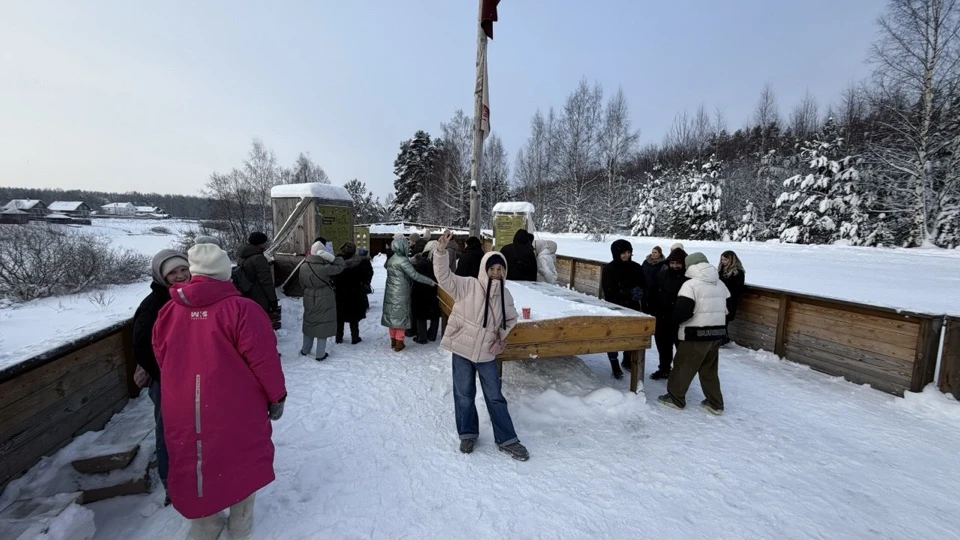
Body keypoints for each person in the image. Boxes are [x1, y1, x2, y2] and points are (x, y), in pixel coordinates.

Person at [152, 243, 286, 540]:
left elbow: (162, 357)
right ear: (226, 272)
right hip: (236, 405)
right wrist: (277, 396)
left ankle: (205, 523)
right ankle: (240, 524)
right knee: (241, 457)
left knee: (195, 459)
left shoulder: (168, 311)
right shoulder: (242, 309)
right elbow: (264, 360)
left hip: (183, 404)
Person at [433, 230, 529, 461]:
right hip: (462, 350)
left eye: (500, 269)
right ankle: (468, 433)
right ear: (485, 269)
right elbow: (444, 276)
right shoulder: (468, 286)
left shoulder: (505, 294)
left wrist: (500, 337)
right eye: (492, 268)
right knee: (464, 394)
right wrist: (440, 251)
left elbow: (511, 318)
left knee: (495, 396)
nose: (496, 273)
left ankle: (507, 439)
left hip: (486, 353)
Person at [132, 249, 190, 505]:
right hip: (164, 380)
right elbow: (142, 348)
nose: (180, 276)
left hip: (187, 377)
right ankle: (172, 487)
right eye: (172, 273)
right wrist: (167, 379)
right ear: (161, 277)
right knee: (168, 431)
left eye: (183, 269)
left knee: (190, 430)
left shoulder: (188, 296)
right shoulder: (154, 304)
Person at [658, 252, 730, 415]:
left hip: (695, 333)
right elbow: (728, 310)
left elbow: (683, 312)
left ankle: (675, 398)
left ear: (690, 266)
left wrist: (672, 321)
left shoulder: (691, 285)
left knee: (683, 366)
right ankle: (715, 403)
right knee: (709, 370)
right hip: (716, 333)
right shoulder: (720, 284)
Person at [600, 239, 645, 379]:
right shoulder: (609, 269)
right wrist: (627, 292)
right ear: (616, 253)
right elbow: (608, 291)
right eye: (623, 253)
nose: (626, 255)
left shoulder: (636, 267)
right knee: (613, 336)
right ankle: (614, 362)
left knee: (631, 335)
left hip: (632, 307)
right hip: (615, 307)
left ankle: (627, 359)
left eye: (628, 252)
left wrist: (640, 291)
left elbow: (643, 284)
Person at [382, 234, 436, 351]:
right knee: (401, 316)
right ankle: (399, 342)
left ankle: (393, 340)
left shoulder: (392, 259)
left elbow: (386, 266)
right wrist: (430, 281)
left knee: (393, 316)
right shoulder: (403, 261)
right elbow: (415, 275)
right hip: (401, 292)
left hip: (390, 290)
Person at [300, 241, 345, 361]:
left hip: (309, 294)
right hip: (324, 295)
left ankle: (305, 349)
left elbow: (301, 283)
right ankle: (320, 354)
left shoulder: (303, 266)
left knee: (310, 322)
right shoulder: (325, 268)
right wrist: (332, 257)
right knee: (323, 324)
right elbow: (341, 266)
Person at [647, 248, 688, 380]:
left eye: (678, 263)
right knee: (663, 346)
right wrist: (651, 310)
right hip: (661, 317)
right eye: (672, 263)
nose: (675, 266)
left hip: (680, 320)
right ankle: (664, 369)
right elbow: (652, 293)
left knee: (681, 349)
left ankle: (680, 374)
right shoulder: (662, 275)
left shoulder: (688, 279)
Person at [236, 231, 280, 325]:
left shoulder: (242, 255)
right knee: (261, 322)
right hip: (259, 296)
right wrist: (273, 299)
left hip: (246, 293)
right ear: (260, 244)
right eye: (265, 242)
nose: (267, 244)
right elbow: (266, 281)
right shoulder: (258, 258)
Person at [334, 242, 373, 344]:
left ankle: (338, 337)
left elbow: (331, 276)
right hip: (355, 292)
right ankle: (355, 337)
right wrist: (364, 283)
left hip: (339, 292)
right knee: (354, 315)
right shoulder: (361, 261)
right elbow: (368, 274)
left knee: (339, 315)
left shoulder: (336, 261)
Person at [411, 240, 441, 344]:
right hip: (434, 291)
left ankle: (422, 337)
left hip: (420, 292)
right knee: (434, 313)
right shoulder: (438, 261)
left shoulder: (422, 262)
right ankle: (432, 335)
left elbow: (417, 278)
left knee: (421, 314)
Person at [718, 250, 746, 345]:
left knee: (724, 319)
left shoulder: (738, 272)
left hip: (730, 299)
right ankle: (722, 338)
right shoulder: (721, 270)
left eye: (725, 260)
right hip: (720, 298)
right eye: (722, 259)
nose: (723, 262)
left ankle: (723, 339)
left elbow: (737, 288)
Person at [640, 246, 665, 313]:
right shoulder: (646, 262)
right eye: (652, 252)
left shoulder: (662, 264)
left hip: (655, 290)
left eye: (655, 252)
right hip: (645, 289)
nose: (653, 254)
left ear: (660, 254)